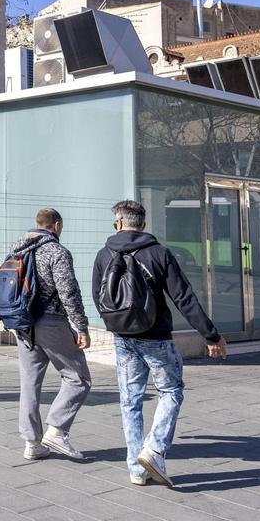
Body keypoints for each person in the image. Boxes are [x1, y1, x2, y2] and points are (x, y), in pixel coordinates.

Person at [94, 200, 227, 488]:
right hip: (156, 337)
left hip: (123, 338)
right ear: (143, 224)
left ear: (118, 223)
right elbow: (184, 298)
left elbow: (98, 296)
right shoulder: (159, 253)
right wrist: (211, 335)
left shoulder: (104, 254)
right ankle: (154, 450)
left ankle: (136, 469)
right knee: (171, 391)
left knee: (130, 401)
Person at [12, 207, 92, 461]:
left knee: (29, 384)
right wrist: (81, 326)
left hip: (22, 323)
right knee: (78, 378)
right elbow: (68, 291)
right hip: (51, 322)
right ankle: (57, 430)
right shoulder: (56, 252)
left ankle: (32, 442)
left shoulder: (17, 248)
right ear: (56, 225)